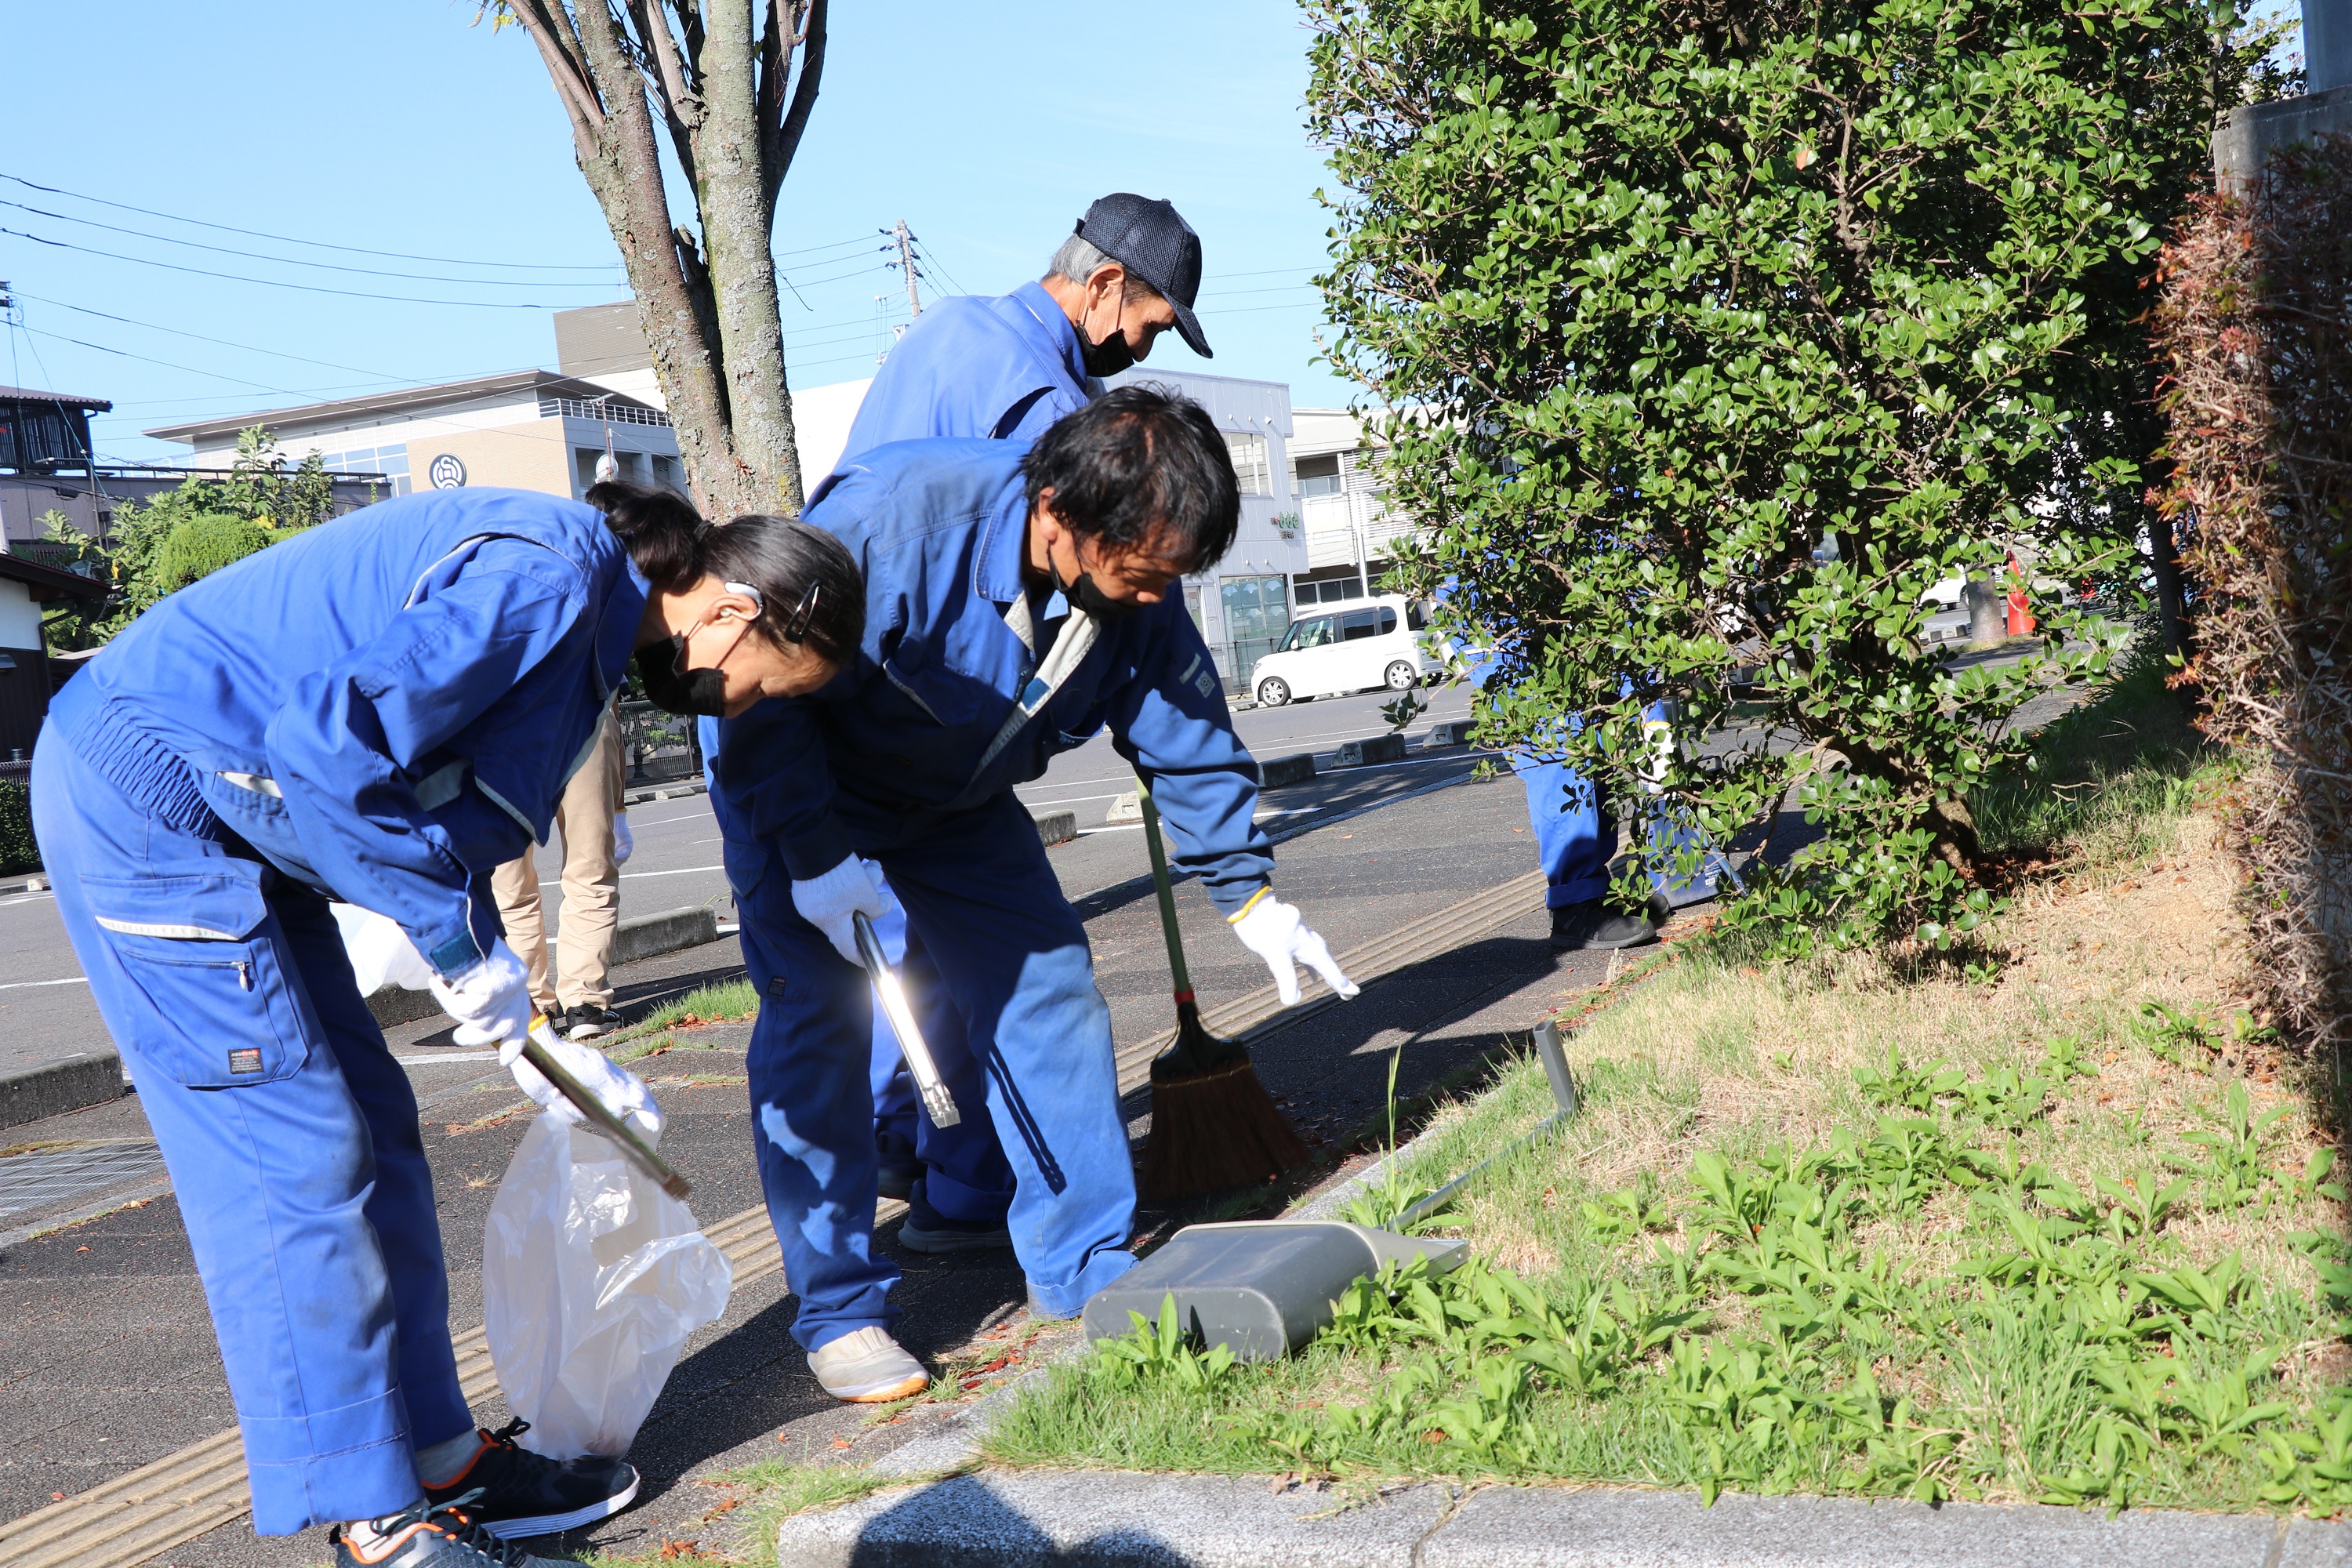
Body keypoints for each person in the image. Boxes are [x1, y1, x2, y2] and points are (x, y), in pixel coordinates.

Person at [31, 480, 859, 1568]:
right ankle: (375, 1516)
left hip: (235, 815)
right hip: (150, 808)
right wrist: (464, 957)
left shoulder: (589, 609)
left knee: (377, 1127)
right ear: (743, 613)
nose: (735, 706)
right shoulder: (552, 578)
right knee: (298, 1158)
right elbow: (332, 749)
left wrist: (495, 973)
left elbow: (421, 794)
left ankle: (440, 1459)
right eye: (762, 688)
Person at [715, 387, 1357, 1404]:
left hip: (957, 804)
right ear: (1056, 513)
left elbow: (1181, 725)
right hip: (806, 797)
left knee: (1049, 989)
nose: (1156, 600)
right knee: (819, 1035)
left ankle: (1085, 1265)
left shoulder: (1134, 584)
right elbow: (745, 689)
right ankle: (839, 1312)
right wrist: (812, 855)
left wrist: (1247, 892)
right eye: (1142, 576)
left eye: (1170, 579)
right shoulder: (891, 524)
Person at [822, 191, 1214, 1236]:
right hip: (906, 709)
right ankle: (960, 1190)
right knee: (948, 977)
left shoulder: (959, 330)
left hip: (917, 706)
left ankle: (918, 1157)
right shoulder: (1036, 396)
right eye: (1148, 322)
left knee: (919, 974)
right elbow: (1115, 553)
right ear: (1104, 284)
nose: (1141, 345)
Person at [488, 701, 630, 1040]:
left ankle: (530, 1005)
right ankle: (585, 1004)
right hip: (583, 712)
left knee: (509, 888)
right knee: (590, 875)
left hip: (499, 724)